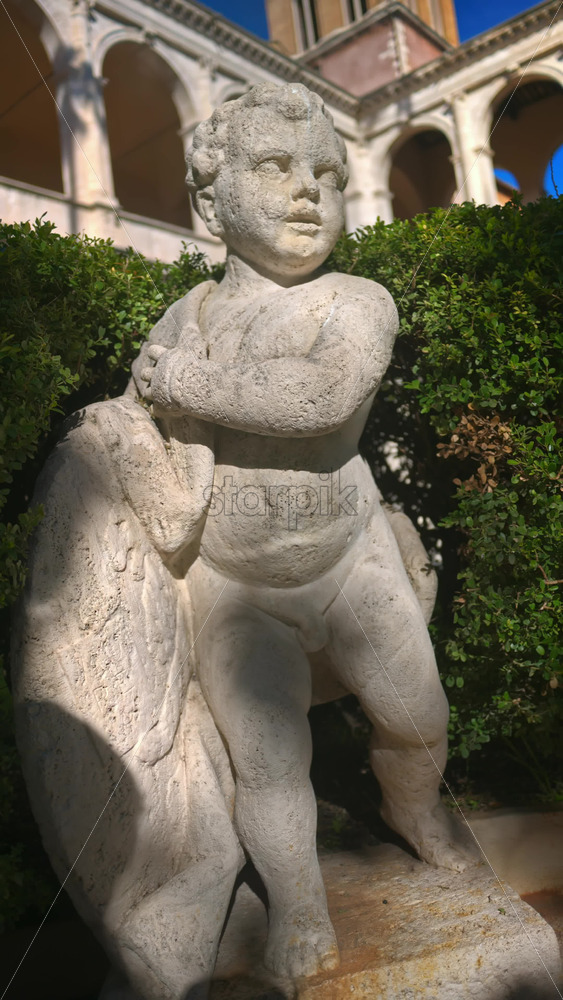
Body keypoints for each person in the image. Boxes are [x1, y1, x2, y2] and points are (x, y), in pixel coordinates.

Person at [138, 82, 478, 983]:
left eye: (327, 173)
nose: (308, 191)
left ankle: (415, 811)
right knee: (270, 760)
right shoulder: (184, 322)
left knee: (417, 720)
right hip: (235, 582)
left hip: (349, 560)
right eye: (276, 168)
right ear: (212, 202)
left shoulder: (355, 301)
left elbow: (319, 398)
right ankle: (297, 902)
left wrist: (182, 386)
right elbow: (144, 440)